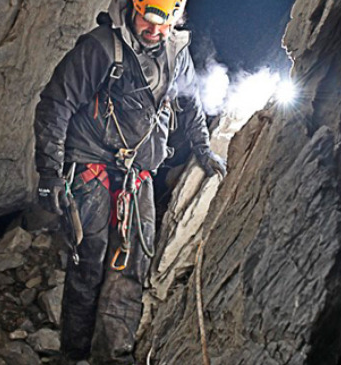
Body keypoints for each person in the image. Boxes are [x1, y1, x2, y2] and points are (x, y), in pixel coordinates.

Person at [33, 0, 226, 363]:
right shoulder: (101, 48)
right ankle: (73, 355)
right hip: (91, 165)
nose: (154, 30)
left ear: (176, 19)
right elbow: (55, 104)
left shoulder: (176, 52)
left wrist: (203, 150)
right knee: (88, 263)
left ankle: (111, 356)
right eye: (146, 21)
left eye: (163, 24)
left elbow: (191, 103)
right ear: (131, 9)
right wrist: (50, 173)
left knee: (131, 266)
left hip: (137, 174)